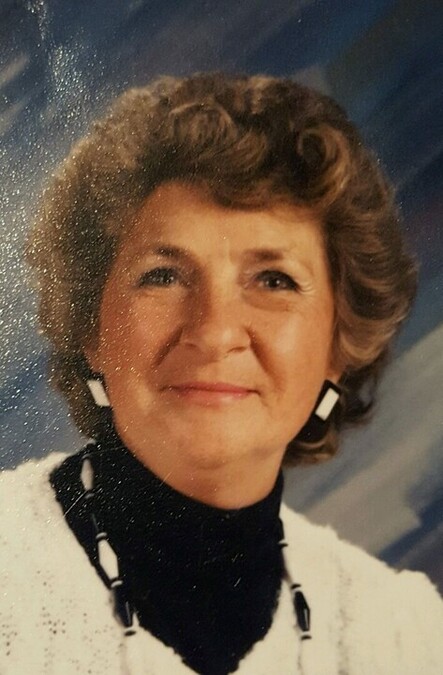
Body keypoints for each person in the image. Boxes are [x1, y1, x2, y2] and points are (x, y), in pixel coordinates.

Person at [1, 73, 442, 675]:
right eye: (163, 275)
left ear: (340, 345)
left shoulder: (403, 636)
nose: (213, 331)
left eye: (273, 280)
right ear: (91, 330)